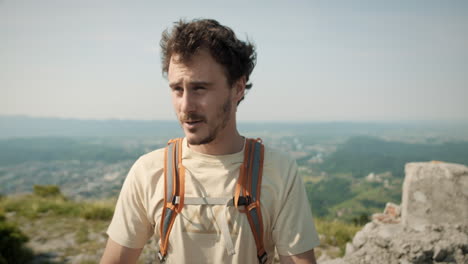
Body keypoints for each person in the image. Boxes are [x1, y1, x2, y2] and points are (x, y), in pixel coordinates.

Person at [100, 18, 320, 264]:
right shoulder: (148, 171)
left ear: (238, 88)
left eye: (199, 88)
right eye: (177, 89)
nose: (186, 106)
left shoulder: (279, 172)